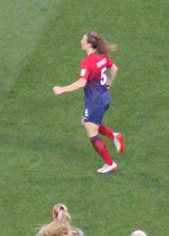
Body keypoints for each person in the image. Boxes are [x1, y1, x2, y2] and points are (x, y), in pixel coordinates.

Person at [52, 32, 124, 173]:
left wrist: (62, 89)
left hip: (94, 102)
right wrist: (108, 83)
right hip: (104, 97)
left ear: (89, 44)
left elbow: (81, 83)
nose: (81, 41)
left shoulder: (87, 62)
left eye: (83, 40)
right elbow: (114, 69)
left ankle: (110, 164)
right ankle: (114, 136)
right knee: (86, 121)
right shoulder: (102, 56)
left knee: (92, 133)